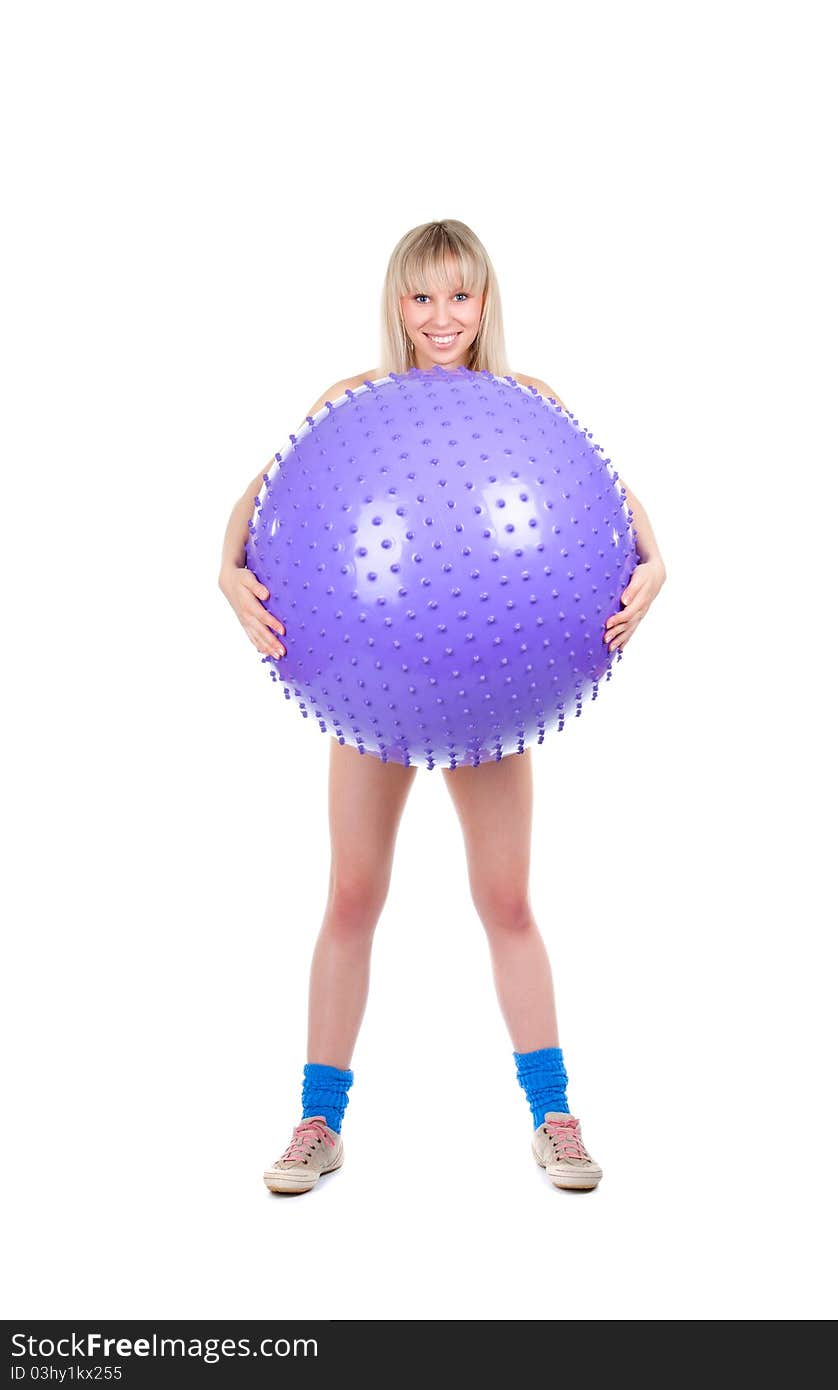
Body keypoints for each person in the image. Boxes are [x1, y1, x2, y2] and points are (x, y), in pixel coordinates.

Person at [218, 219, 667, 1195]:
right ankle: (316, 1124)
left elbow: (608, 503)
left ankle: (554, 1117)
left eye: (458, 295)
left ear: (484, 303)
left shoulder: (529, 403)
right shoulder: (352, 403)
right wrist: (224, 565)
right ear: (397, 304)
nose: (439, 316)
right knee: (350, 896)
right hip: (370, 676)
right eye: (421, 296)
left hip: (491, 680)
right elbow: (265, 496)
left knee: (506, 901)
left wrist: (657, 558)